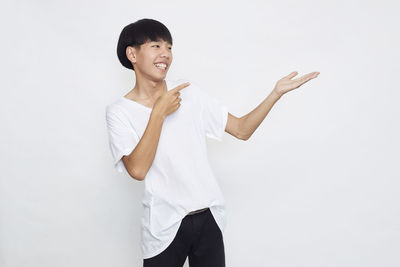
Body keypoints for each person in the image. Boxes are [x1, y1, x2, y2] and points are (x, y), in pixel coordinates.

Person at [105, 18, 319, 267]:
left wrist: (275, 94)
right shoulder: (119, 112)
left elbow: (241, 130)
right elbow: (138, 170)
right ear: (132, 53)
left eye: (169, 47)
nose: (166, 54)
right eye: (156, 46)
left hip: (208, 217)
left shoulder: (189, 93)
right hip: (163, 226)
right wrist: (158, 113)